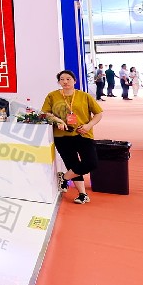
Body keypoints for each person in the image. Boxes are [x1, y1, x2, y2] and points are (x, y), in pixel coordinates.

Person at [41, 69, 103, 205]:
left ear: (74, 81)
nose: (65, 82)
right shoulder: (52, 96)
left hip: (83, 133)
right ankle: (82, 194)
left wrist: (89, 125)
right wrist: (58, 120)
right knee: (73, 164)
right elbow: (45, 113)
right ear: (59, 82)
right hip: (62, 136)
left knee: (91, 163)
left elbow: (98, 113)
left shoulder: (84, 96)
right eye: (62, 79)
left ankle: (64, 178)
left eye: (68, 79)